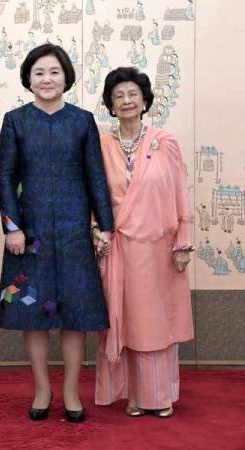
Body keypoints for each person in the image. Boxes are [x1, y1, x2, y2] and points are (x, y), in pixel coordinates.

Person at [0, 44, 113, 423]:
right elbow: (5, 177)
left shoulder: (82, 121)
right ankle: (42, 388)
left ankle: (71, 390)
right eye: (39, 73)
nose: (47, 79)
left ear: (66, 77)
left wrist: (105, 225)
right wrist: (13, 228)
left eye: (54, 72)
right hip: (29, 234)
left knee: (76, 314)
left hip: (74, 230)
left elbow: (96, 176)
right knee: (32, 311)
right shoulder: (15, 121)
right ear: (28, 79)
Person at [93, 67, 194, 418]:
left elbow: (180, 192)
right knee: (126, 321)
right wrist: (97, 228)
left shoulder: (164, 141)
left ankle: (159, 395)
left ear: (145, 99)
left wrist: (183, 242)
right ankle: (133, 395)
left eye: (132, 94)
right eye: (118, 95)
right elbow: (95, 195)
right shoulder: (102, 144)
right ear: (110, 103)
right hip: (119, 250)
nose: (126, 101)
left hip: (159, 249)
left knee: (157, 323)